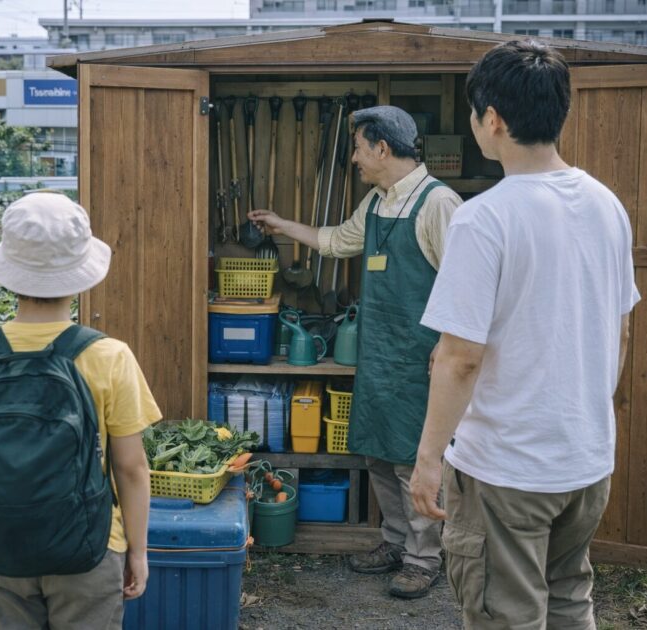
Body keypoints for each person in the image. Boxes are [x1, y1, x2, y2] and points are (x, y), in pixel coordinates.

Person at [410, 40, 640, 629]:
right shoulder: (606, 204)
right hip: (586, 461)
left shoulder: (484, 218)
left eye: (473, 114)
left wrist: (429, 457)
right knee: (568, 602)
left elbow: (459, 357)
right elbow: (619, 332)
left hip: (506, 470)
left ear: (493, 120)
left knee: (505, 616)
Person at [249, 105, 462, 598]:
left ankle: (424, 557)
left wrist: (449, 346)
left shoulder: (438, 203)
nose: (354, 159)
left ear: (383, 149)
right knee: (378, 456)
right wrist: (284, 226)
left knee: (414, 458)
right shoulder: (378, 202)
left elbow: (464, 285)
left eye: (360, 149)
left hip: (422, 357)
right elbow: (338, 241)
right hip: (380, 352)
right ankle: (394, 541)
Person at [0, 191, 162, 629]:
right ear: (82, 276)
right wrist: (136, 550)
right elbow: (132, 468)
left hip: (1, 546)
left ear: (9, 273)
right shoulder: (109, 356)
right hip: (90, 547)